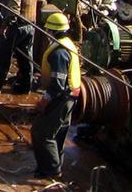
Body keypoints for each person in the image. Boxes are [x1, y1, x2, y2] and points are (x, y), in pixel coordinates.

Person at [32, 12, 81, 181]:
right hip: (71, 96)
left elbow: (57, 86)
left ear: (51, 31)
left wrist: (44, 101)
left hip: (62, 98)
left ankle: (51, 170)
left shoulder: (58, 53)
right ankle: (56, 164)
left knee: (41, 132)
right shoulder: (68, 44)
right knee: (58, 133)